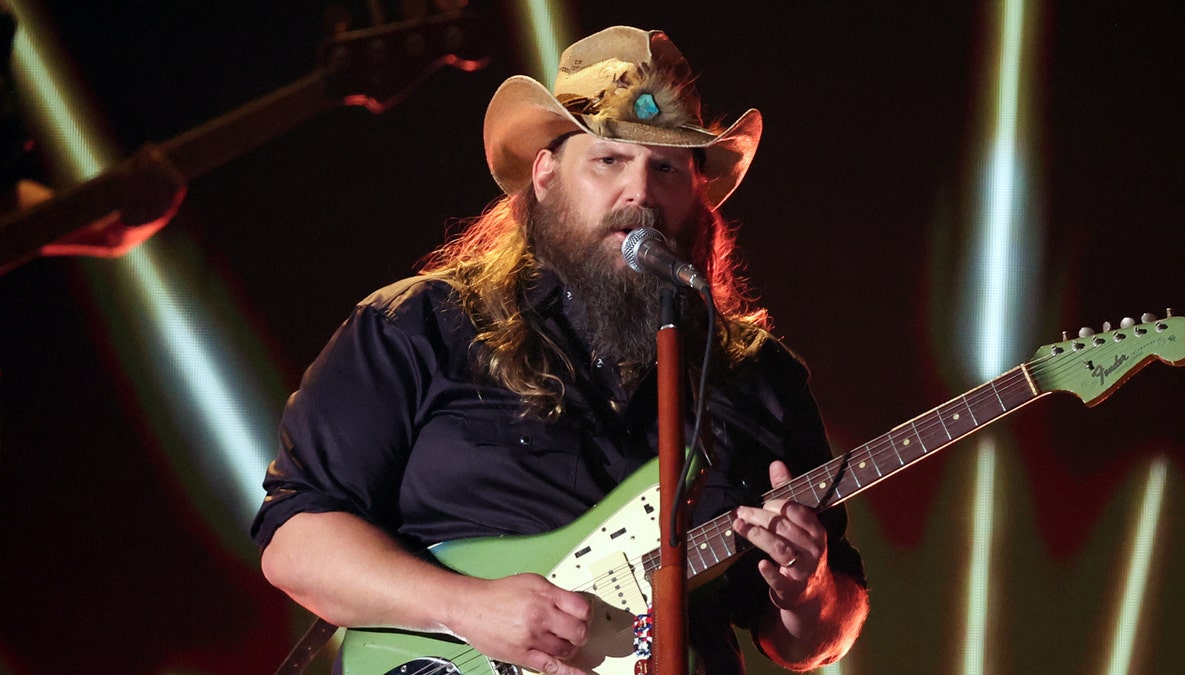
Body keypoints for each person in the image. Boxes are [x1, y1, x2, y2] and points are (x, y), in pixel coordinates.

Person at [253, 25, 869, 674]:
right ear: (546, 174)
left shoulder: (758, 378)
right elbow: (296, 543)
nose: (639, 193)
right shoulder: (417, 327)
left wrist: (809, 587)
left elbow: (813, 640)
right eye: (609, 159)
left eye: (665, 167)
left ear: (698, 196)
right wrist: (467, 607)